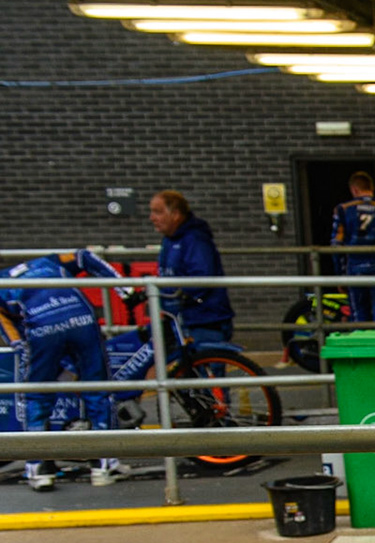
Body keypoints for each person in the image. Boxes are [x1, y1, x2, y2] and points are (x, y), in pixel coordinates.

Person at [0, 250, 125, 490]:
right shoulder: (50, 261)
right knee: (98, 389)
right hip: (81, 319)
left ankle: (39, 468)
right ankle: (104, 465)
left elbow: (12, 335)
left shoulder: (3, 284)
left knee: (35, 395)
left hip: (41, 330)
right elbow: (84, 255)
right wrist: (125, 290)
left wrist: (23, 348)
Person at [147, 191, 235, 348]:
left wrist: (177, 296)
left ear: (175, 214)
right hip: (183, 319)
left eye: (158, 212)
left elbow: (202, 277)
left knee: (205, 360)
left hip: (204, 320)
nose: (152, 218)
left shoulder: (195, 239)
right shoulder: (169, 240)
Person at [329, 171, 375, 325]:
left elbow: (336, 245)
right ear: (372, 188)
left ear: (354, 189)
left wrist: (340, 275)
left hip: (354, 267)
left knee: (358, 315)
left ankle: (361, 339)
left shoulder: (343, 210)